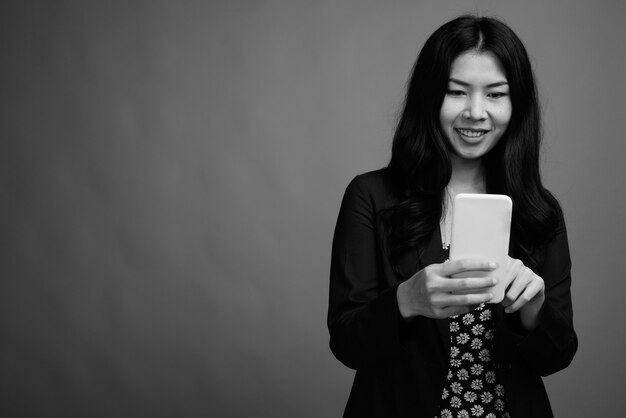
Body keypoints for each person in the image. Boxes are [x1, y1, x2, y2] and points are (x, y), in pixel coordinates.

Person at [328, 15, 577, 418]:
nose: (476, 112)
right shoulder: (371, 196)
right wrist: (406, 300)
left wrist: (533, 312)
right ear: (429, 97)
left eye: (496, 94)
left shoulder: (539, 210)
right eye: (456, 92)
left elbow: (557, 356)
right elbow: (346, 342)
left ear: (517, 105)